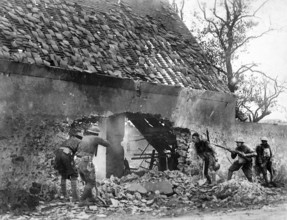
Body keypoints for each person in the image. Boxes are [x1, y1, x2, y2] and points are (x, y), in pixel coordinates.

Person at [75, 124, 110, 207]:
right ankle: (82, 201)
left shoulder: (84, 138)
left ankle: (90, 198)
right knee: (91, 182)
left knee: (87, 180)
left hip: (78, 161)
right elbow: (107, 144)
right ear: (96, 133)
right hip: (86, 161)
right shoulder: (95, 138)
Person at [53, 129, 82, 202]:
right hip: (66, 154)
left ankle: (65, 196)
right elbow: (79, 154)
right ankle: (75, 198)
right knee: (74, 175)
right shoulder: (80, 141)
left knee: (63, 174)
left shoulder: (69, 140)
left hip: (58, 154)